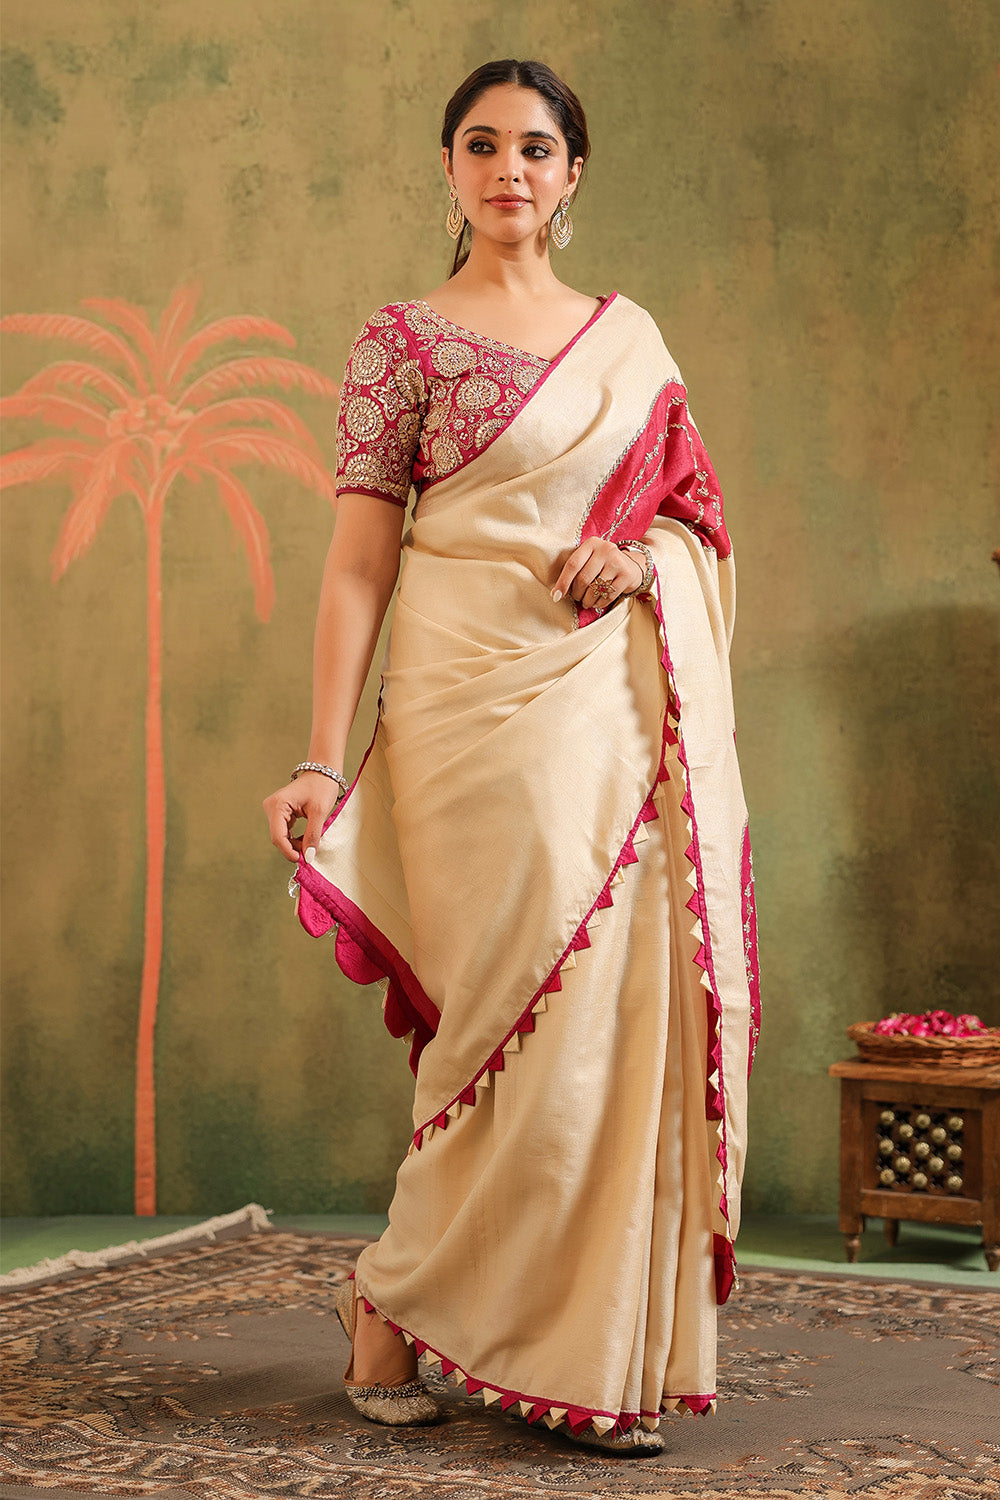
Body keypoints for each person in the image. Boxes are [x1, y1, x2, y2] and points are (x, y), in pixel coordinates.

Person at [263, 57, 761, 1457]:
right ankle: (396, 1299)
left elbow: (694, 524)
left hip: (606, 707)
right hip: (462, 712)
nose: (508, 170)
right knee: (499, 1023)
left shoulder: (631, 341)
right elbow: (358, 565)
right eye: (481, 146)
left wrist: (642, 560)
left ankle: (588, 1358)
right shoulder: (401, 343)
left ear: (572, 173)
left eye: (535, 148)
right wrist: (321, 760)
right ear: (449, 169)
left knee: (611, 1017)